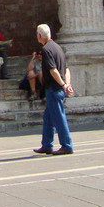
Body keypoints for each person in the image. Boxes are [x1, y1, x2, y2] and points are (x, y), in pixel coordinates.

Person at [33, 23, 74, 156]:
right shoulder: (58, 48)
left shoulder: (46, 50)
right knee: (48, 117)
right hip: (59, 87)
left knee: (59, 117)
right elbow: (66, 69)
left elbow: (53, 70)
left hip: (54, 88)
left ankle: (67, 145)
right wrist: (67, 84)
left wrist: (62, 85)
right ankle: (47, 144)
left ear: (39, 36)